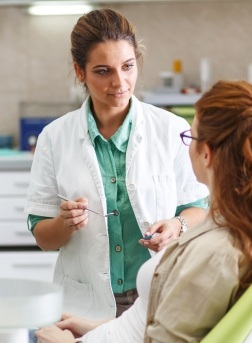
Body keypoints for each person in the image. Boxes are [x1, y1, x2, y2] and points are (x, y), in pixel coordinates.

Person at [1, 79, 252, 343]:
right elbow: (165, 335)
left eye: (190, 137)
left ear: (206, 152)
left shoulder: (216, 253)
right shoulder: (232, 231)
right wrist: (92, 329)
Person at [24, 8, 208, 319]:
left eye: (127, 67)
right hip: (84, 303)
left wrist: (177, 225)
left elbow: (198, 207)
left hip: (157, 295)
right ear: (79, 71)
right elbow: (43, 237)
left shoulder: (171, 129)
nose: (119, 82)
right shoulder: (54, 137)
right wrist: (63, 224)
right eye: (103, 71)